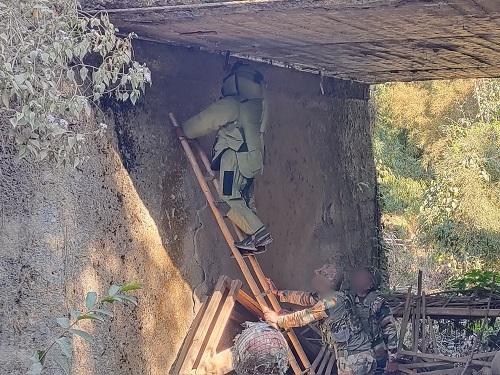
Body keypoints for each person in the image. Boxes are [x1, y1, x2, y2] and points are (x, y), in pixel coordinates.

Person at [182, 63, 272, 255]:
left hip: (235, 159)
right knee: (244, 199)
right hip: (254, 160)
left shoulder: (233, 104)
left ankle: (259, 233)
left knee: (229, 196)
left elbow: (203, 121)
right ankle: (254, 240)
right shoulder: (258, 105)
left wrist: (184, 131)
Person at [264, 264, 376, 375]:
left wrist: (278, 319)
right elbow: (306, 298)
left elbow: (306, 316)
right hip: (360, 355)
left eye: (319, 277)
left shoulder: (332, 300)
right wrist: (278, 292)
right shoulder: (336, 296)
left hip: (355, 359)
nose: (316, 280)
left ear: (326, 282)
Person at [351, 267, 398, 374]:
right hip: (355, 354)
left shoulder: (378, 302)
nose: (358, 279)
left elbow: (390, 330)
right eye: (358, 276)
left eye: (363, 277)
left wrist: (393, 359)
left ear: (370, 284)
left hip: (376, 353)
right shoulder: (349, 300)